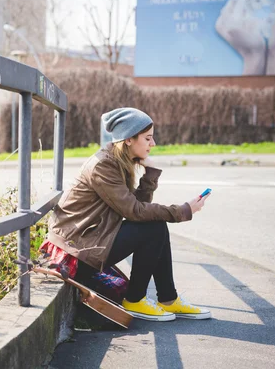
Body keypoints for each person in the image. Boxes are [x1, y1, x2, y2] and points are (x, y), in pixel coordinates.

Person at [43, 107, 211, 322]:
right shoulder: (103, 165)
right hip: (76, 250)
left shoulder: (117, 161)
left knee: (155, 225)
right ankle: (135, 300)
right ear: (129, 139)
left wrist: (149, 175)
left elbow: (136, 209)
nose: (153, 144)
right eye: (148, 138)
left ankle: (168, 299)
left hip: (88, 240)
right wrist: (183, 210)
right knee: (154, 227)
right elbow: (136, 212)